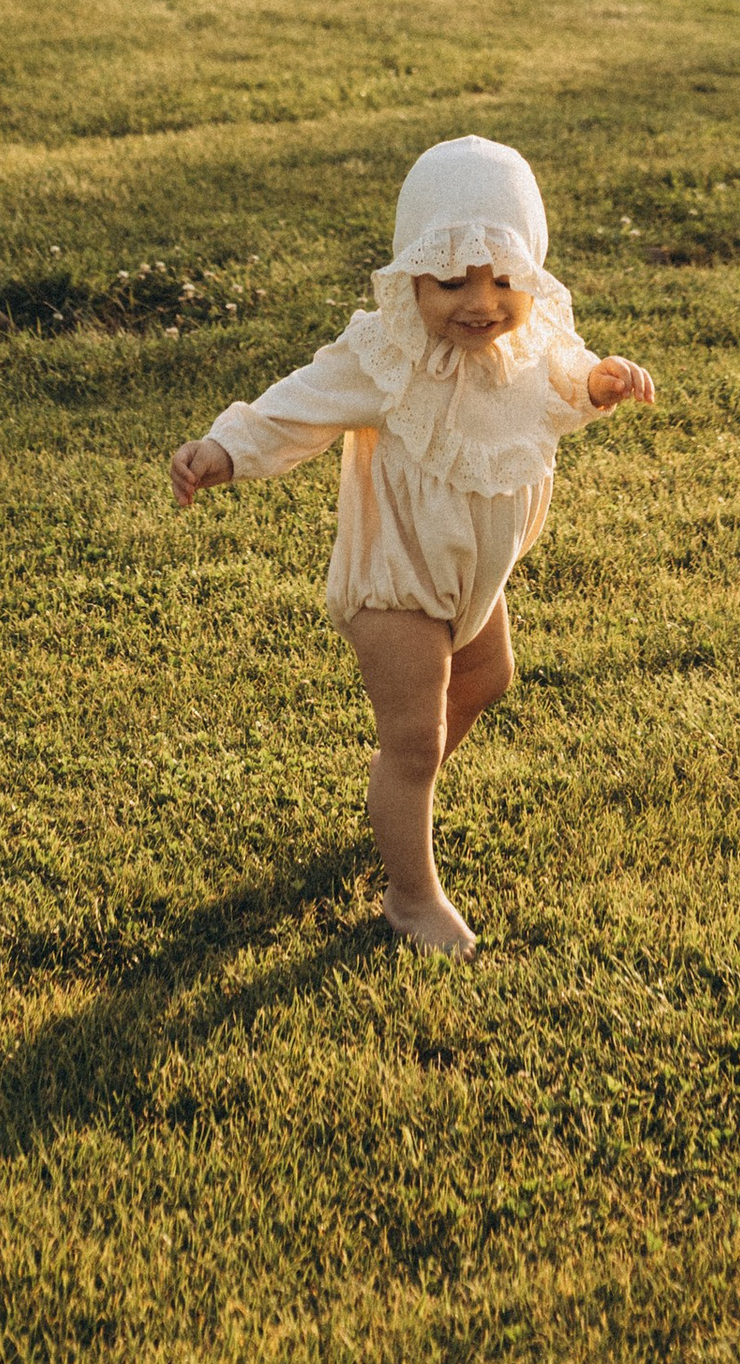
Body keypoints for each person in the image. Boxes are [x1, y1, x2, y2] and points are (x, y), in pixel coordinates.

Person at [170, 135, 656, 954]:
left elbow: (568, 378)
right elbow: (298, 405)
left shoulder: (531, 347)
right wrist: (225, 451)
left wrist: (601, 382)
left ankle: (398, 796)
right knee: (415, 735)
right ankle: (410, 893)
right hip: (398, 575)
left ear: (530, 275)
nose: (481, 300)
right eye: (452, 279)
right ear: (411, 275)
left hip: (473, 579)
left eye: (503, 278)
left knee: (488, 678)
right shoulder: (387, 357)